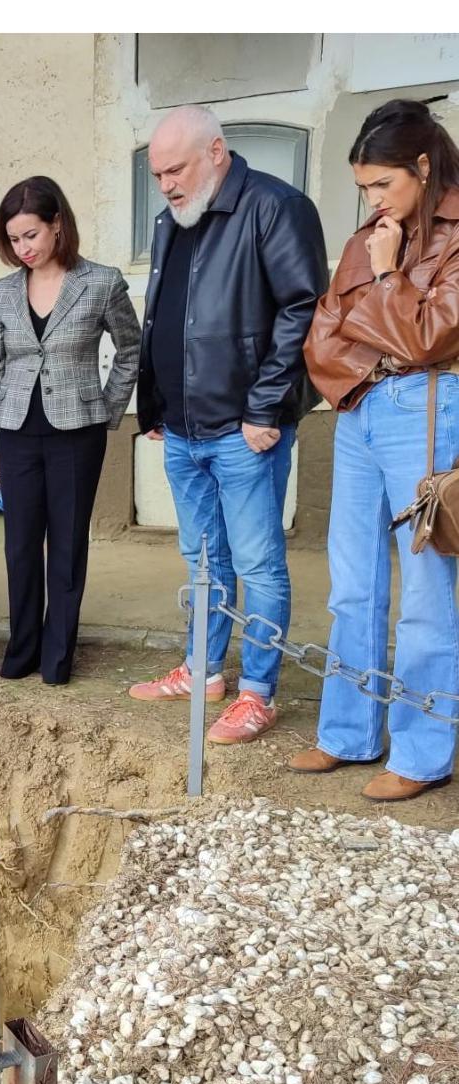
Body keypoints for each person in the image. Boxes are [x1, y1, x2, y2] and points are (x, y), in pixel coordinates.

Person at [129, 105, 328, 745]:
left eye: (175, 169)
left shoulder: (274, 207)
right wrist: (155, 405)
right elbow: (163, 316)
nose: (166, 184)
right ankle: (205, 671)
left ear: (216, 151)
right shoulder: (171, 222)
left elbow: (302, 309)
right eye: (157, 174)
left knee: (259, 562)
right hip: (184, 430)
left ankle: (257, 693)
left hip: (246, 430)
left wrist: (266, 408)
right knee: (202, 559)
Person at [297, 100, 459, 802]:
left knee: (426, 590)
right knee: (353, 583)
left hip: (428, 407)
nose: (371, 201)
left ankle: (423, 753)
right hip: (362, 405)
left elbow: (432, 340)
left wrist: (391, 279)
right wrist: (370, 362)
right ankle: (347, 733)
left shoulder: (451, 236)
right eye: (363, 188)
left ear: (423, 167)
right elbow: (324, 335)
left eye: (382, 185)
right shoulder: (368, 234)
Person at [0, 176, 141, 685]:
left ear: (56, 224)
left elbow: (131, 348)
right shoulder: (2, 293)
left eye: (31, 235)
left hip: (77, 432)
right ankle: (22, 648)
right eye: (14, 239)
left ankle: (57, 655)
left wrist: (107, 408)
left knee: (67, 544)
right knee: (20, 544)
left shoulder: (101, 282)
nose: (23, 248)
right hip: (16, 431)